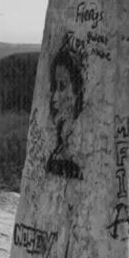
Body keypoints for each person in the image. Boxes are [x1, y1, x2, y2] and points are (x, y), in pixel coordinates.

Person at [45, 39, 84, 178]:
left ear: (77, 90)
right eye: (54, 87)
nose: (55, 97)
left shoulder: (80, 144)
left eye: (62, 87)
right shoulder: (60, 144)